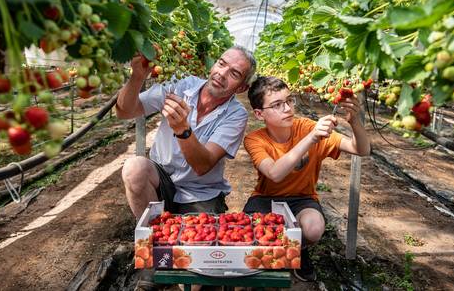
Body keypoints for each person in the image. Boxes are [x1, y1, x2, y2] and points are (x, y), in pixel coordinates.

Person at [243, 76, 370, 282]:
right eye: (277, 105)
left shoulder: (307, 126)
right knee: (250, 233)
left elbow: (361, 149)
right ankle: (276, 255)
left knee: (313, 228)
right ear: (259, 114)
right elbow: (275, 173)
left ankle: (298, 249)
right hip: (266, 198)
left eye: (289, 100)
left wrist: (354, 120)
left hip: (302, 199)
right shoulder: (255, 139)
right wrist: (310, 139)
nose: (287, 108)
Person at [116, 46, 257, 219]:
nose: (222, 73)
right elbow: (124, 112)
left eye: (234, 73)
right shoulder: (179, 84)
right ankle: (154, 235)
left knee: (199, 240)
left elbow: (202, 166)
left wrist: (183, 130)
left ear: (242, 88)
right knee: (134, 168)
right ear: (213, 66)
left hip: (200, 191)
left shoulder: (236, 114)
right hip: (161, 178)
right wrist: (137, 77)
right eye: (221, 64)